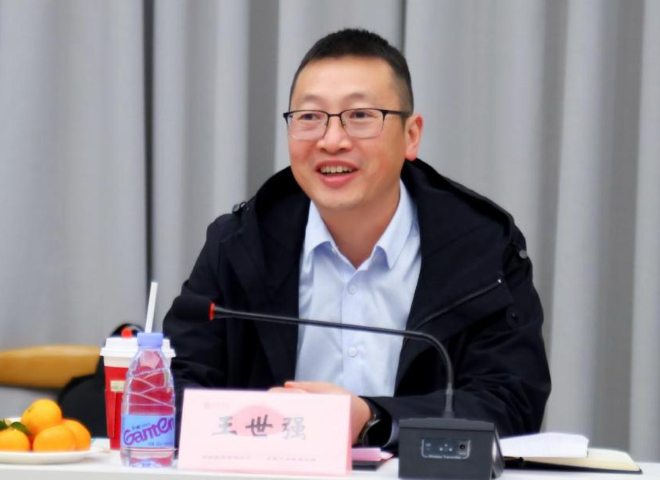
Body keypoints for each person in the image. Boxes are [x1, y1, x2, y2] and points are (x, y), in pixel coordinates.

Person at [163, 28, 551, 449]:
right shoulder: (239, 244)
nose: (332, 141)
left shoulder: (481, 249)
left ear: (411, 136)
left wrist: (374, 420)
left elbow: (511, 403)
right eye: (309, 117)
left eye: (361, 116)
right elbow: (175, 387)